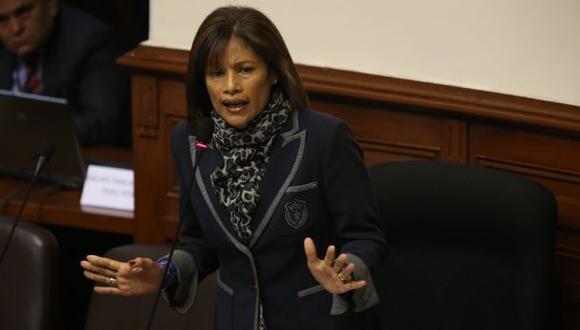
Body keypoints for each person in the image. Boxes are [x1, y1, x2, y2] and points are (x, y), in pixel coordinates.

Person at [81, 6, 387, 330]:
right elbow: (198, 241)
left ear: (273, 72)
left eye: (244, 70)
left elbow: (366, 236)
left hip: (316, 320)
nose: (230, 86)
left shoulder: (324, 139)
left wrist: (346, 270)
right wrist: (165, 273)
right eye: (216, 73)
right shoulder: (190, 142)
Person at [0, 0, 128, 146]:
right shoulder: (5, 49)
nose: (16, 28)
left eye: (24, 12)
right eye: (2, 19)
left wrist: (22, 131)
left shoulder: (91, 42)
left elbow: (100, 124)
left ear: (51, 5)